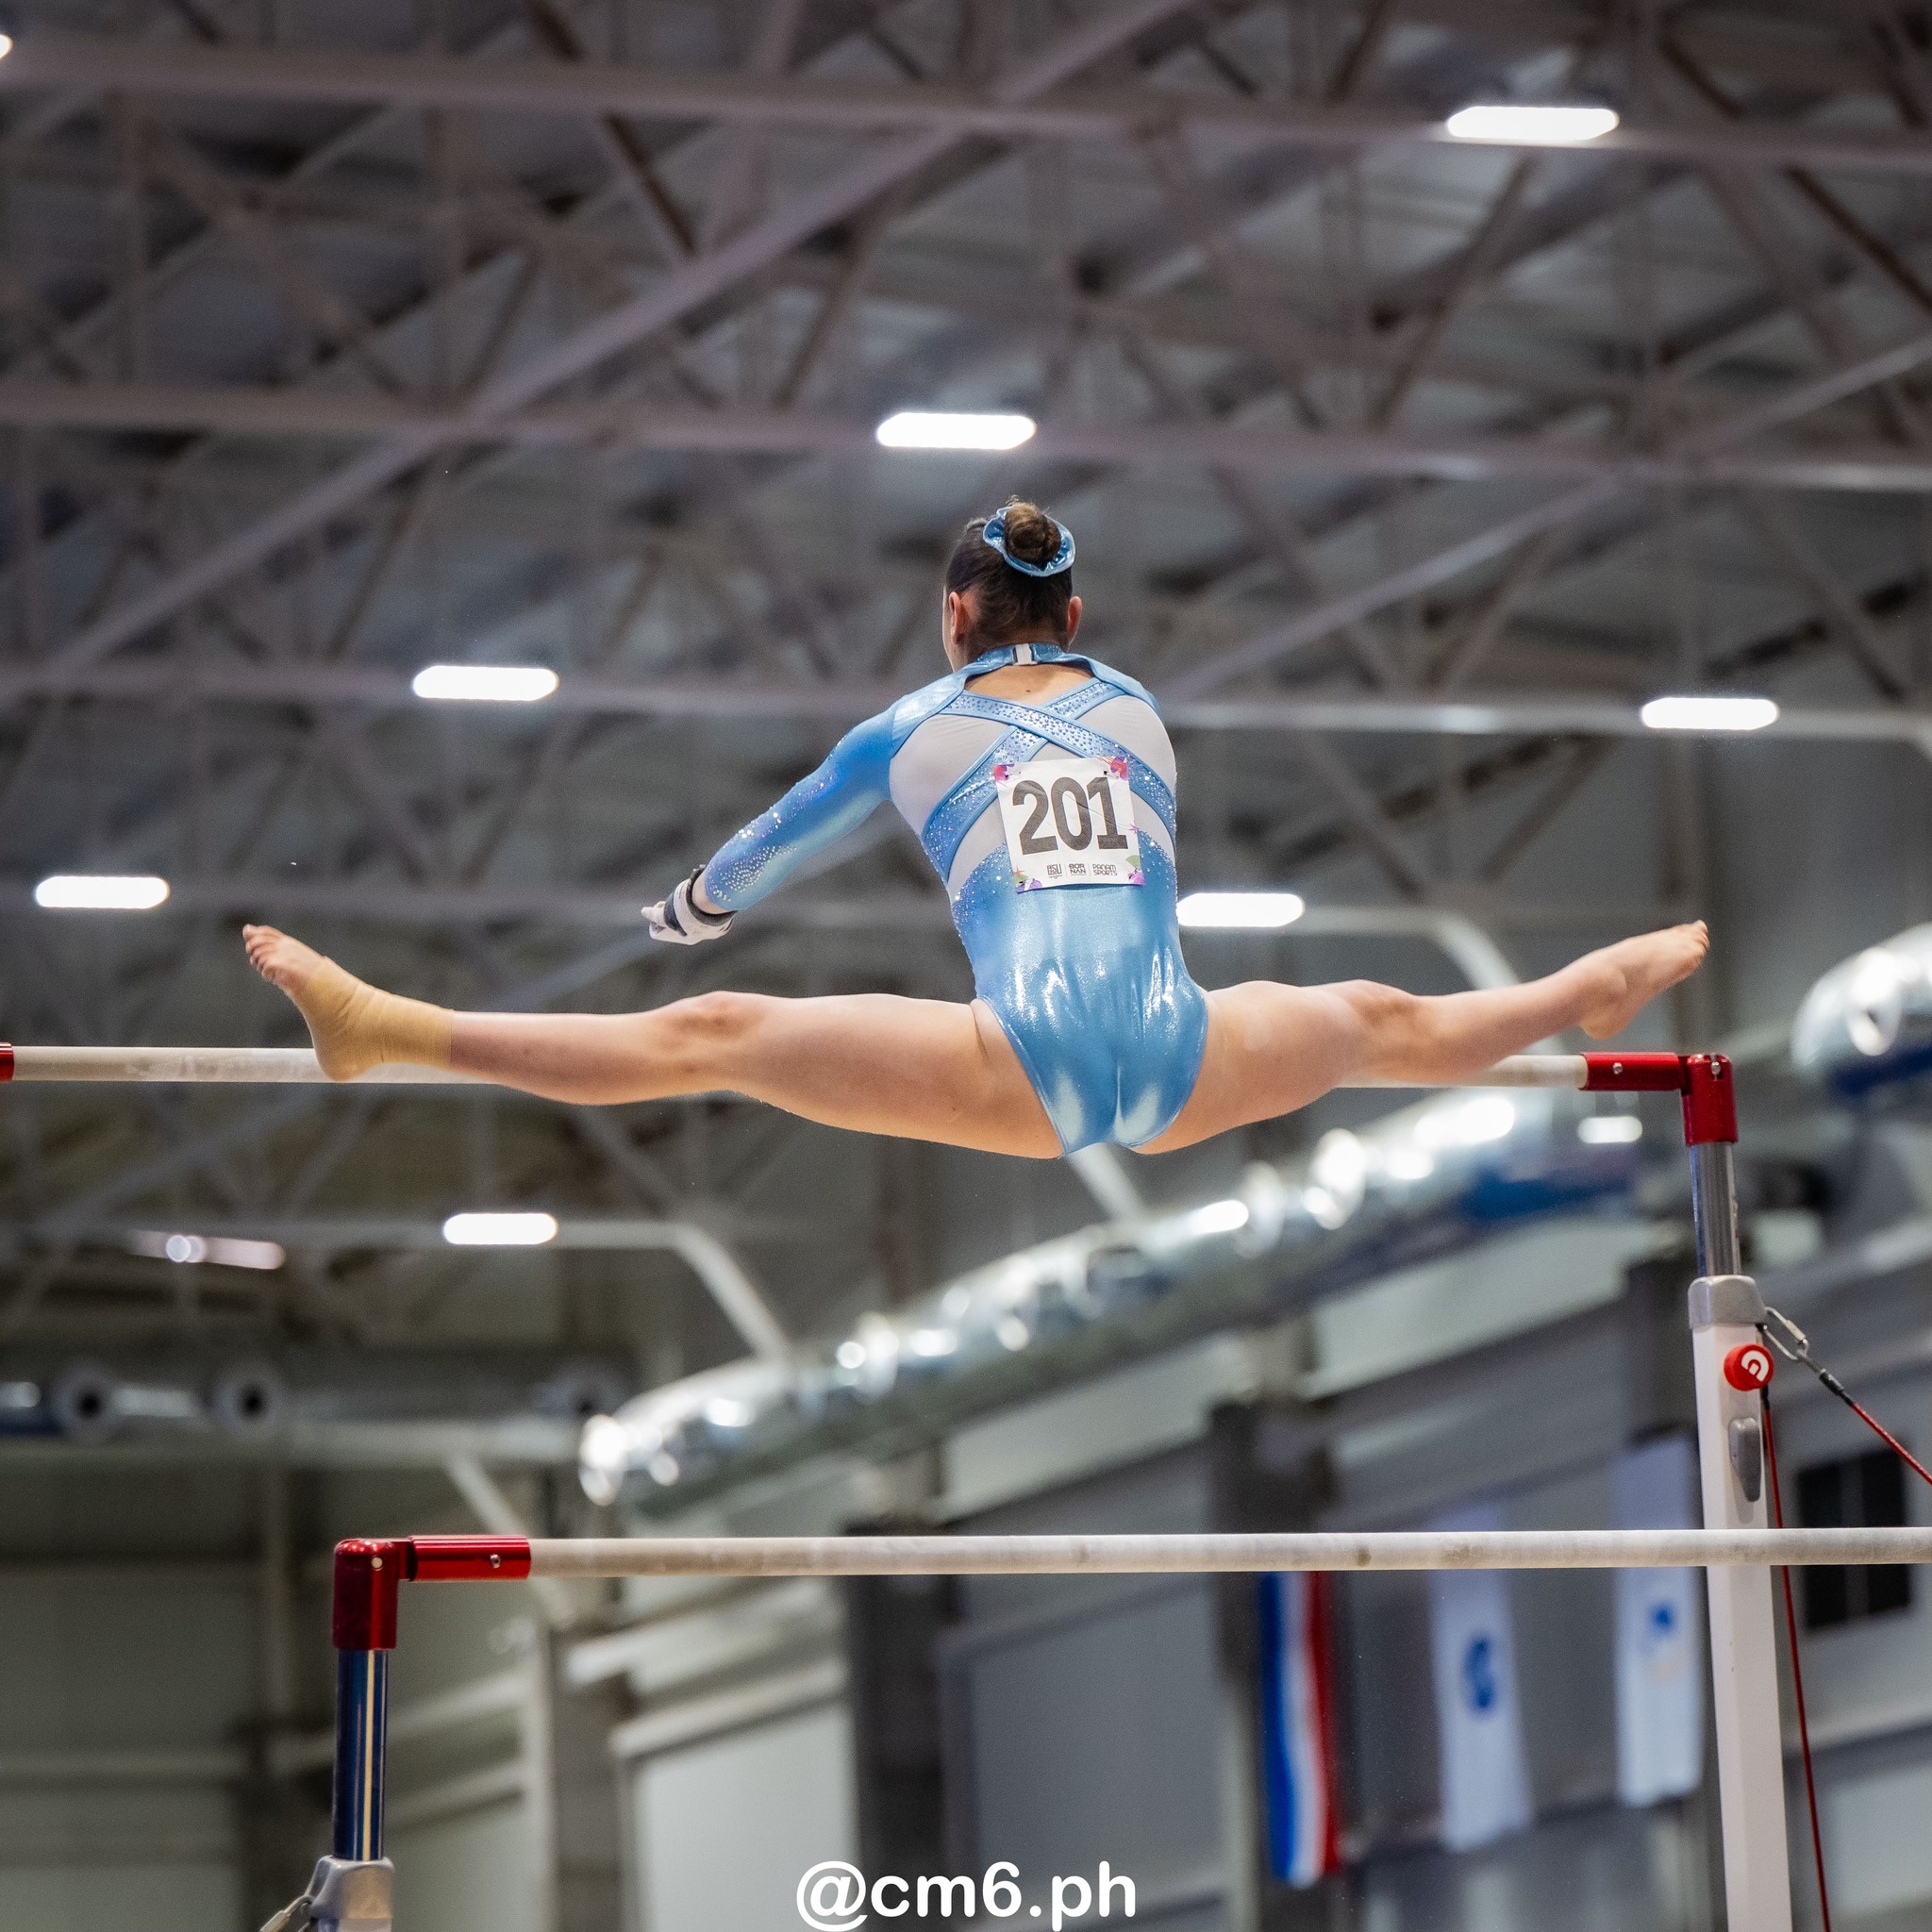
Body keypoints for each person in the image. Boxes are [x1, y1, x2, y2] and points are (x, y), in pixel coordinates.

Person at [242, 500, 1707, 1158]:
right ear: (1076, 615)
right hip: (1188, 1052)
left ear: (956, 613)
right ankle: (1581, 991)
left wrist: (693, 907)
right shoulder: (1141, 711)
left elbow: (767, 851)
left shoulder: (905, 732)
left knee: (711, 1035)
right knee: (1389, 1021)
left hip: (1021, 1067)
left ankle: (392, 1029)